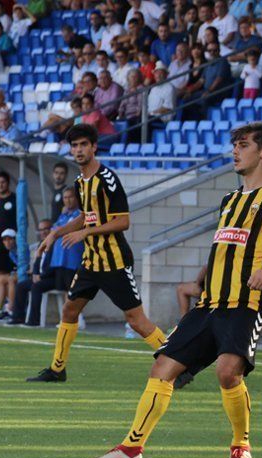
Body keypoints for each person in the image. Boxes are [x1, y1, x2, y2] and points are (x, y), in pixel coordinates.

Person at [89, 122, 262, 458]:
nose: (235, 150)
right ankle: (131, 449)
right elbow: (222, 250)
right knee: (162, 367)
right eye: (234, 144)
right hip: (208, 304)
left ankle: (241, 446)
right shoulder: (229, 200)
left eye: (244, 144)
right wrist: (200, 282)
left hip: (244, 304)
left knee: (227, 372)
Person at [27, 124, 172, 383]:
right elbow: (86, 216)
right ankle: (57, 369)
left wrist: (86, 233)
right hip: (91, 262)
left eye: (84, 144)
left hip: (114, 261)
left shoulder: (108, 179)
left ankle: (177, 362)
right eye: (74, 146)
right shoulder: (80, 183)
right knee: (69, 311)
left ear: (94, 147)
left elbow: (122, 221)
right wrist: (56, 233)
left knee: (136, 320)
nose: (79, 150)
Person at [8, 220, 55, 325]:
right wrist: (35, 273)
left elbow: (55, 266)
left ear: (52, 230)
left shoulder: (56, 245)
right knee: (21, 286)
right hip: (40, 277)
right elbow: (37, 263)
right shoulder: (40, 245)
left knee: (36, 286)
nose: (43, 232)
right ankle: (18, 317)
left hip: (53, 278)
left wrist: (41, 276)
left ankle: (34, 320)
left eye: (46, 229)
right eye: (41, 230)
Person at [0, 172, 17, 319]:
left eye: (3, 182)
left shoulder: (14, 199)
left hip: (12, 243)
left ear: (8, 183)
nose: (0, 185)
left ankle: (10, 308)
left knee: (11, 275)